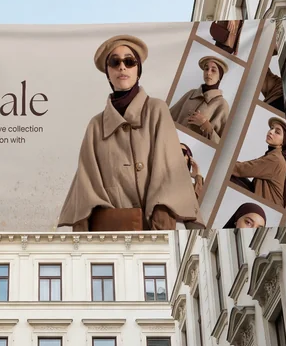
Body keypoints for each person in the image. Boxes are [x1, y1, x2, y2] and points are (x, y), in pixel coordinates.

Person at [57, 34, 204, 232]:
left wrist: (161, 231)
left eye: (129, 61)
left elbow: (169, 172)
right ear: (108, 72)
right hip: (113, 237)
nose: (122, 67)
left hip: (154, 230)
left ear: (138, 69)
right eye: (114, 62)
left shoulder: (156, 110)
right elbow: (86, 185)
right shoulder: (96, 126)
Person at [230, 117, 286, 208]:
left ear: (284, 141)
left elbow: (242, 169)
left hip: (266, 205)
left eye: (277, 132)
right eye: (271, 128)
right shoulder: (274, 155)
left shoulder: (275, 159)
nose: (271, 132)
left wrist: (225, 161)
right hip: (263, 202)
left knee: (228, 172)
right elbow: (247, 167)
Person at [170, 56, 230, 142]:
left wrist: (205, 124)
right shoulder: (191, 94)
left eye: (213, 70)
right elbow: (169, 116)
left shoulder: (222, 104)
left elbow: (220, 143)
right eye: (206, 69)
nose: (208, 73)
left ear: (220, 76)